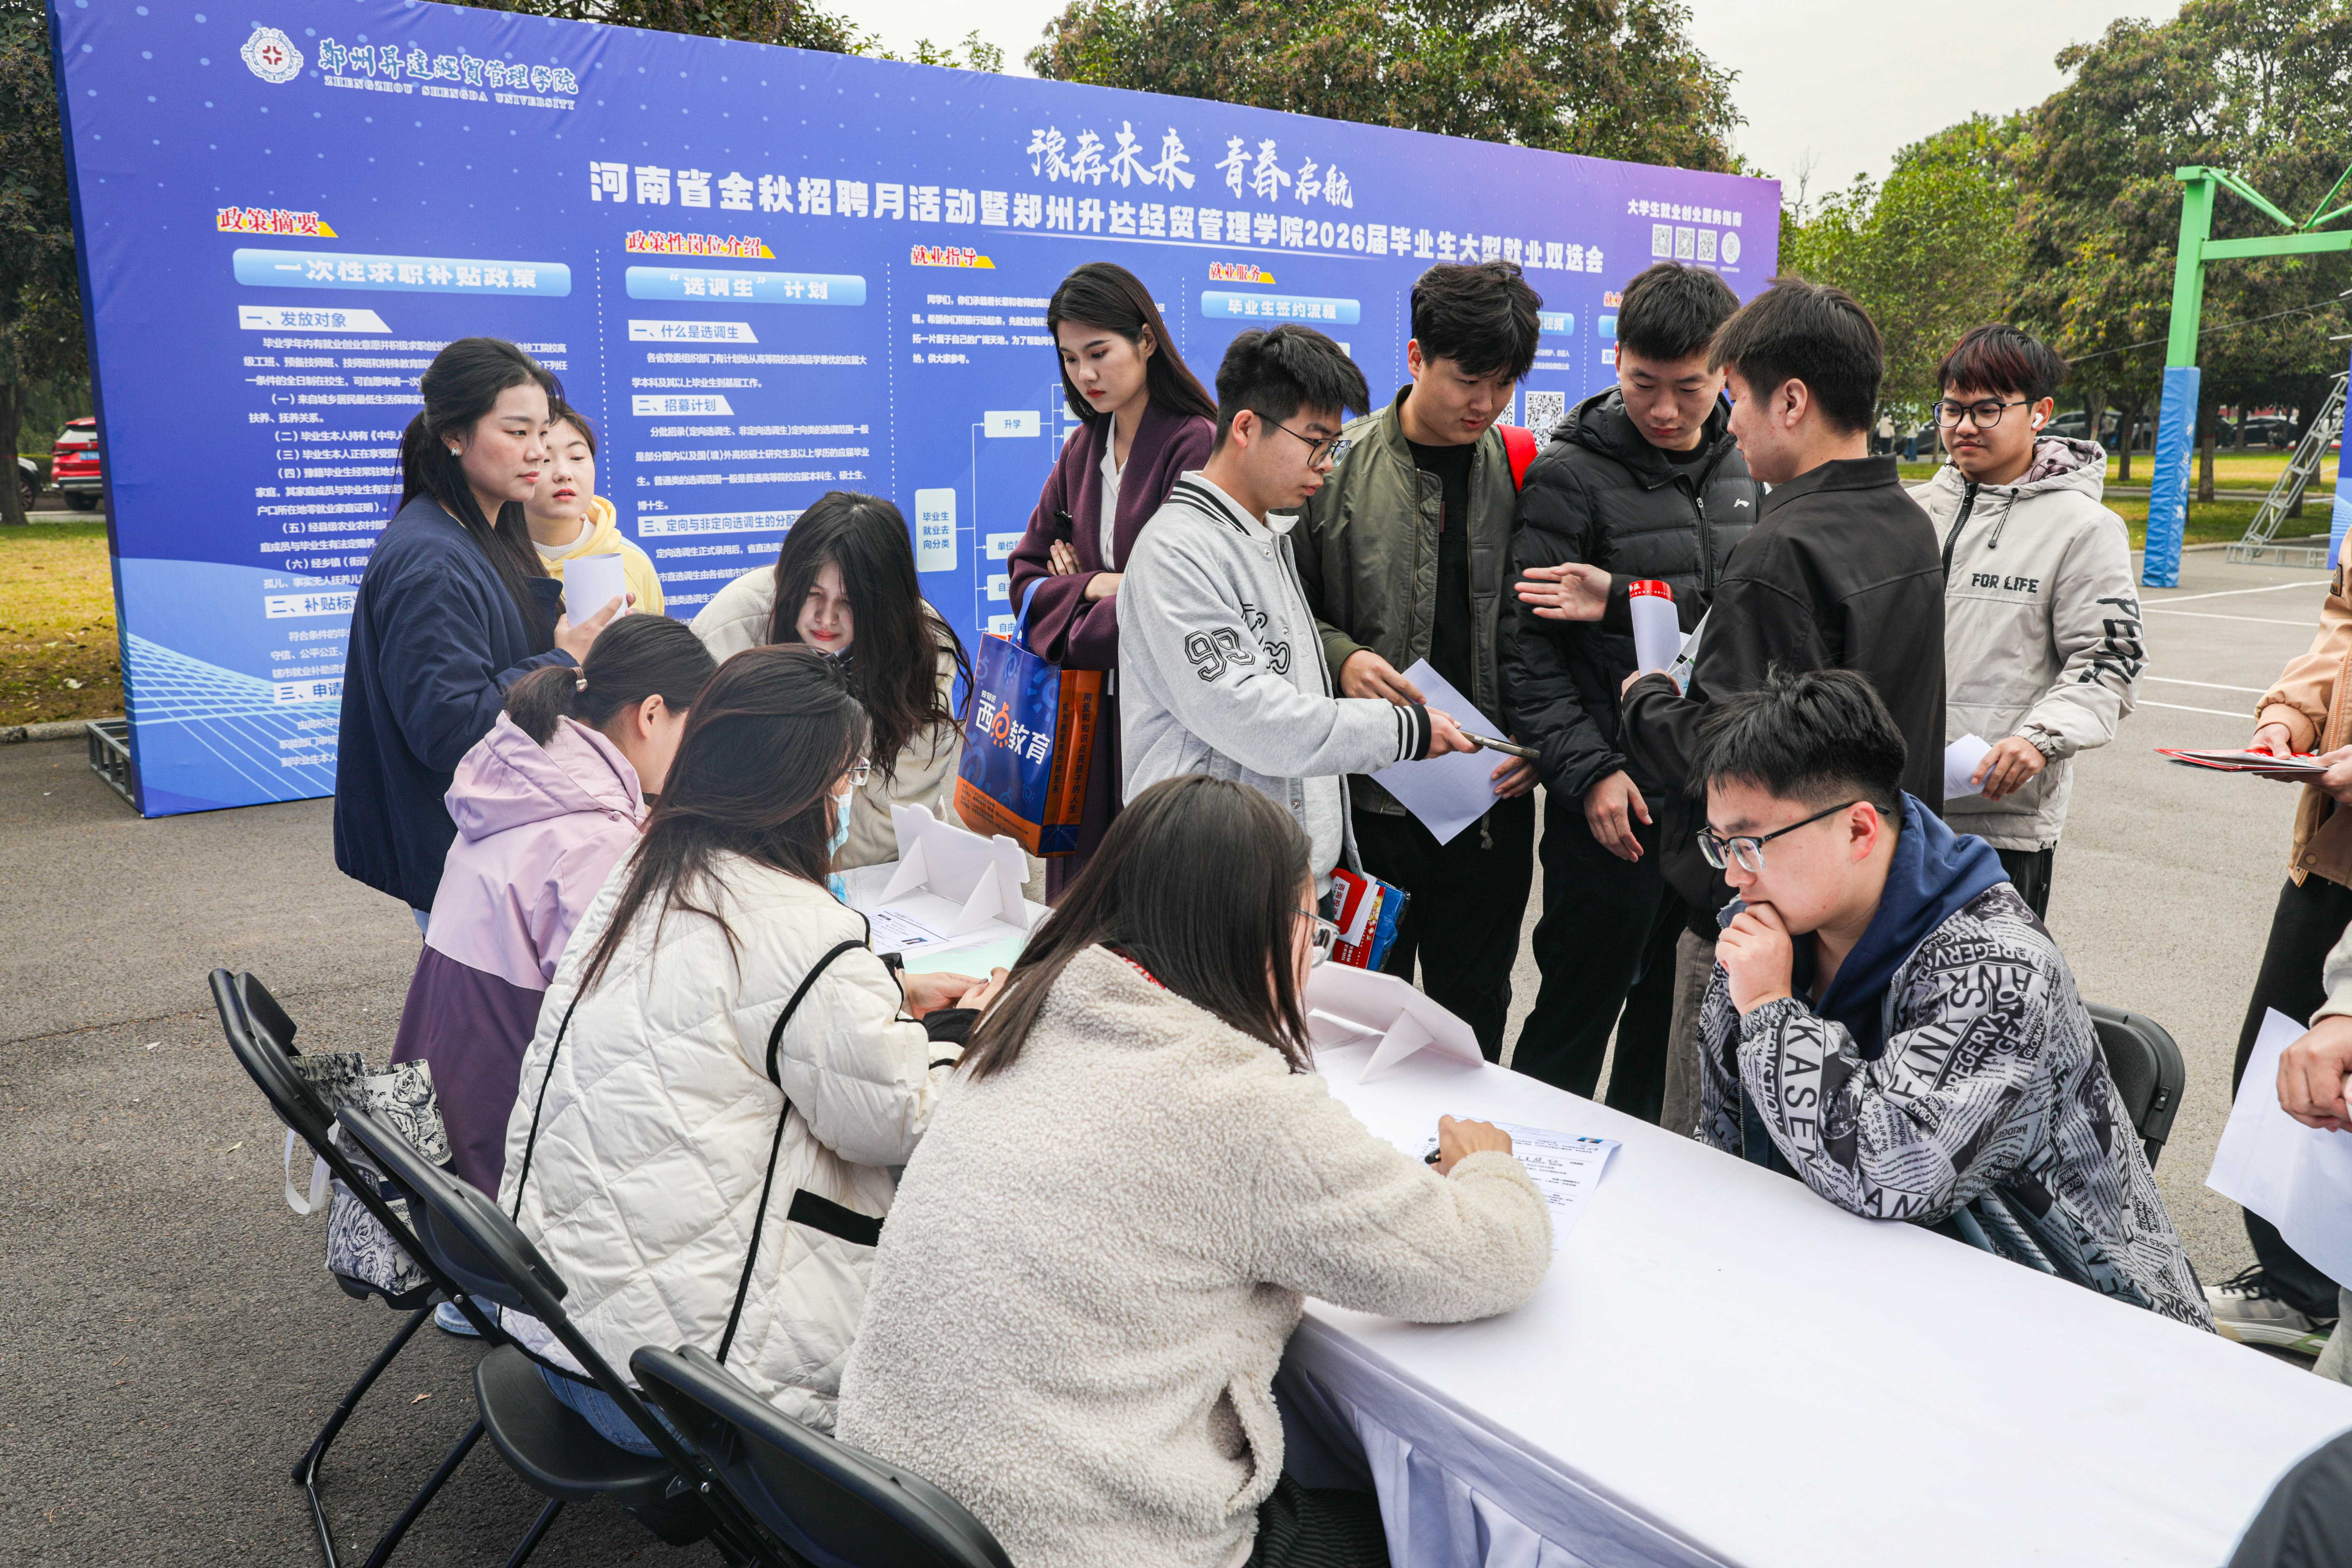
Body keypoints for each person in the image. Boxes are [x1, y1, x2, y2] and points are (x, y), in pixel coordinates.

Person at [837, 775, 1551, 1568]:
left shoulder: (1020, 1015)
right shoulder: (1240, 1106)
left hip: (887, 1516)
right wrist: (1490, 1170)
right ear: (1257, 933)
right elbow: (1489, 1258)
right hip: (1069, 1542)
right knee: (1431, 1538)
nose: (1310, 960)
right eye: (1312, 929)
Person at [498, 646, 999, 1450]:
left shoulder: (644, 868)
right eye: (847, 777)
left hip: (560, 1337)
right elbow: (901, 1119)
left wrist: (887, 986)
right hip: (679, 1394)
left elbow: (731, 1004)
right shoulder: (801, 927)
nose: (849, 796)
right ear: (800, 790)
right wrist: (970, 1033)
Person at [1519, 276, 1947, 1139]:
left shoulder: (1782, 548)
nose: (1727, 419)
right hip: (1868, 891)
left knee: (1710, 1134)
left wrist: (1646, 701)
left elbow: (1735, 758)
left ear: (1792, 401)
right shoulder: (1906, 521)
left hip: (1766, 912)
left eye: (1733, 394)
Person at [1693, 669, 2210, 1329]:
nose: (1733, 875)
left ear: (1858, 830)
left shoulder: (2000, 969)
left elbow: (1893, 1177)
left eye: (1750, 845)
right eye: (1721, 846)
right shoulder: (1769, 930)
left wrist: (1770, 1010)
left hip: (2064, 1315)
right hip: (1849, 1284)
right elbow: (1725, 1138)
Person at [1502, 262, 1758, 1112]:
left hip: (1712, 801)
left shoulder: (1747, 467)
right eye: (1644, 383)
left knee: (1671, 1018)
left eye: (1689, 389)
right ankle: (1528, 1167)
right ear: (1615, 359)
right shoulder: (1569, 475)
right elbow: (1528, 654)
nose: (1664, 410)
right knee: (1575, 1016)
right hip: (1610, 809)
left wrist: (1624, 594)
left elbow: (1747, 615)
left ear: (1725, 373)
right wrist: (1589, 775)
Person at [1119, 324, 1477, 896]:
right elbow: (1253, 718)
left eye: (1334, 445)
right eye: (1315, 441)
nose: (1327, 464)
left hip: (1279, 878)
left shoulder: (1266, 536)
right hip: (1209, 882)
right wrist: (1402, 729)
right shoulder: (1177, 551)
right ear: (1245, 428)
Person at [1293, 260, 1542, 1058]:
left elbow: (1550, 635)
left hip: (1492, 802)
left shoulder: (1529, 472)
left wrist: (1541, 740)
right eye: (1468, 379)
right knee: (1359, 1027)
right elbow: (1279, 613)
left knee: (1472, 1027)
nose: (1485, 403)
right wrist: (1340, 657)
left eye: (1504, 384)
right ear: (1415, 358)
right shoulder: (1334, 470)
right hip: (1371, 805)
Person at [390, 613, 714, 1199]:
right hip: (505, 1170)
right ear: (651, 714)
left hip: (436, 1143)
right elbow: (626, 1032)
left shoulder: (518, 782)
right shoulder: (595, 838)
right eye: (695, 730)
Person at [335, 338, 623, 927]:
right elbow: (448, 729)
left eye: (543, 432)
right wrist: (564, 658)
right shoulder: (432, 561)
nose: (538, 452)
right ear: (454, 436)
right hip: (462, 854)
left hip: (494, 843)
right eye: (517, 433)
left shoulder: (486, 526)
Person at [1911, 324, 2142, 919]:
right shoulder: (1909, 513)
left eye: (1987, 409)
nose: (1965, 426)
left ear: (2040, 412)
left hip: (1998, 829)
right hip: (1891, 810)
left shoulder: (2084, 528)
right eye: (1952, 409)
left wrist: (2040, 739)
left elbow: (2109, 658)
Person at [1007, 261, 1219, 895]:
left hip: (1163, 719)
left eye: (1099, 353)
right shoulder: (1082, 447)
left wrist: (1072, 607)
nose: (1085, 375)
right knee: (1083, 903)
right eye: (1070, 359)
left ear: (1146, 341)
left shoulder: (1194, 444)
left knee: (1151, 897)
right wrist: (1097, 585)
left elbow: (1172, 602)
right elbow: (1024, 579)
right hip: (1085, 719)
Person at [691, 491, 970, 872]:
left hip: (876, 868)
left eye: (849, 602)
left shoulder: (922, 652)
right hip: (747, 860)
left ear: (883, 606)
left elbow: (891, 822)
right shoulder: (733, 629)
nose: (826, 618)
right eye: (813, 594)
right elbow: (700, 785)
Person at [2218, 595, 2352, 1352]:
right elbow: (2343, 627)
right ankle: (2302, 1289)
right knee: (2277, 1067)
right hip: (2334, 851)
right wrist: (2289, 718)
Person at [523, 407, 665, 615]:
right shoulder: (488, 559)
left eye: (577, 458)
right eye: (545, 460)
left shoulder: (633, 561)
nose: (564, 473)